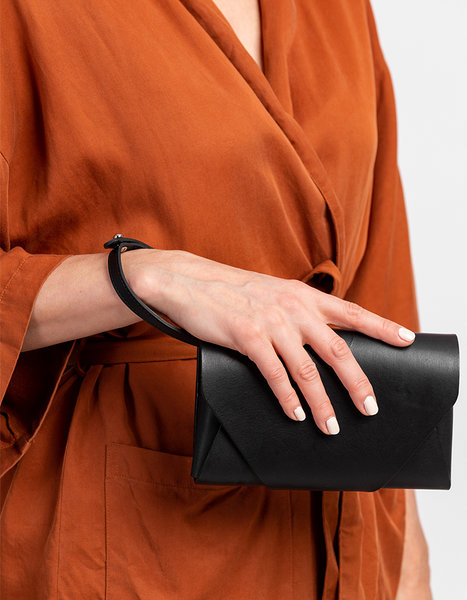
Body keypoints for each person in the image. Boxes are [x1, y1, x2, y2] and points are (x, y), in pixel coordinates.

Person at [0, 0, 432, 598]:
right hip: (120, 537)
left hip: (343, 534)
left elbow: (381, 295)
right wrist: (147, 278)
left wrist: (404, 556)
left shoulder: (340, 10)